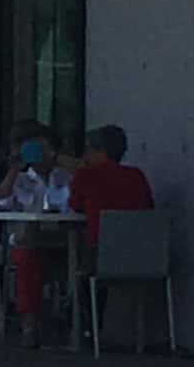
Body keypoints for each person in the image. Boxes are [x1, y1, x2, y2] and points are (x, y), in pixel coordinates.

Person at [0, 126, 72, 345]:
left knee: (73, 260)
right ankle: (29, 323)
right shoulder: (22, 179)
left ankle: (71, 317)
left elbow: (71, 203)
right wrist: (14, 169)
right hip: (26, 240)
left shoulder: (65, 176)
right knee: (27, 258)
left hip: (62, 238)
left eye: (44, 149)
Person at [65, 125, 158, 342]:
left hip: (101, 252)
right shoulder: (137, 176)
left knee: (82, 273)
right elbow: (148, 208)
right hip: (141, 255)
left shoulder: (86, 175)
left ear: (98, 150)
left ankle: (86, 330)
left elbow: (75, 206)